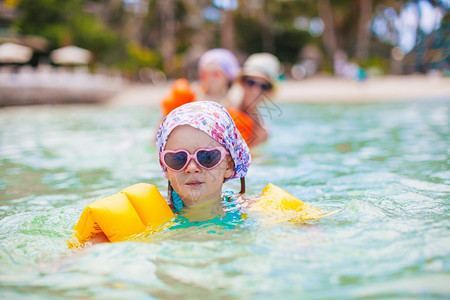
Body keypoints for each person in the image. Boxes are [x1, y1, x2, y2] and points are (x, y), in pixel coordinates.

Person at [156, 101, 250, 212]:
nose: (191, 168)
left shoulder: (254, 212)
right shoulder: (152, 217)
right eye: (178, 159)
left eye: (207, 157)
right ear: (165, 167)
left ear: (229, 165)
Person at [235, 53, 281, 147]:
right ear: (242, 82)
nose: (256, 91)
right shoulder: (222, 108)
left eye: (264, 86)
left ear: (269, 91)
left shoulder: (262, 132)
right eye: (251, 82)